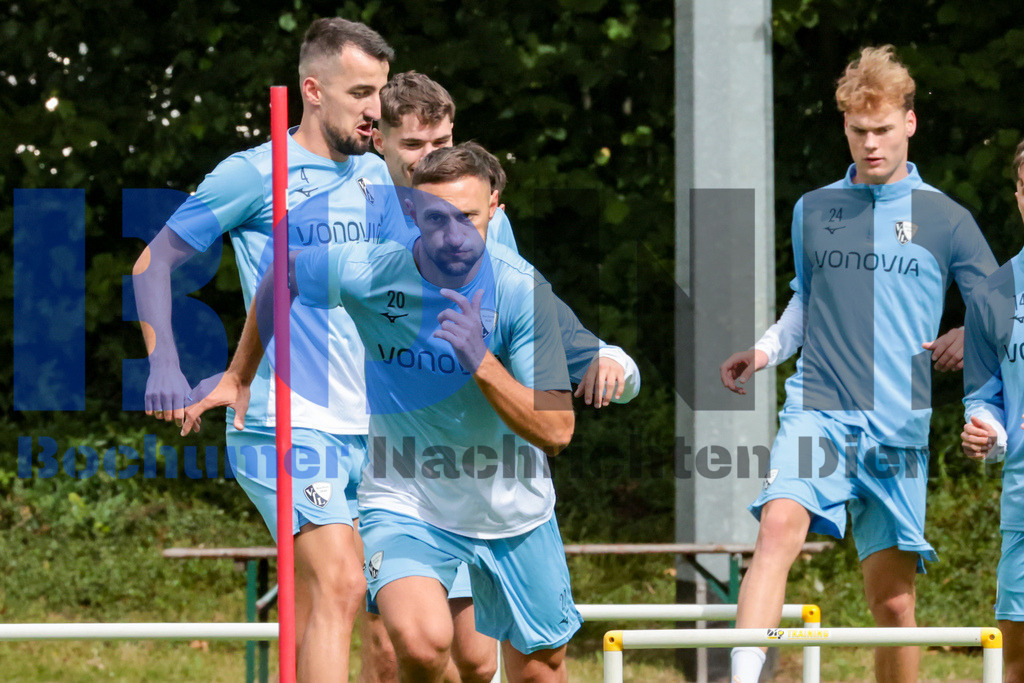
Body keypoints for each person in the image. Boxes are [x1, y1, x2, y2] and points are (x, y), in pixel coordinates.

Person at [184, 142, 583, 682]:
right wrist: (239, 374)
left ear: (495, 210)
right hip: (405, 500)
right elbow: (282, 274)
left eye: (467, 217)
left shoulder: (522, 293)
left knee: (537, 671)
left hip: (513, 509)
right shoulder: (369, 271)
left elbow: (557, 429)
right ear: (411, 213)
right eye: (436, 219)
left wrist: (481, 362)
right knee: (420, 645)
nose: (452, 236)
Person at [719, 45, 997, 683]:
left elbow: (1000, 307)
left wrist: (966, 332)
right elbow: (805, 302)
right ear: (844, 127)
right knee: (777, 528)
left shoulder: (946, 218)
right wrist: (764, 351)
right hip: (818, 408)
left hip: (899, 423)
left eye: (882, 129)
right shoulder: (814, 209)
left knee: (892, 603)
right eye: (857, 130)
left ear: (910, 123)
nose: (871, 144)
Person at [132, 18, 395, 682]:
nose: (375, 109)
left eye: (380, 92)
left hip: (371, 423)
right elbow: (152, 264)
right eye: (360, 92)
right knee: (339, 584)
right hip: (284, 416)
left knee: (382, 617)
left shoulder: (379, 175)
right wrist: (166, 362)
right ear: (313, 90)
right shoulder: (254, 173)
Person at [364, 70, 641, 683]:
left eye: (440, 143)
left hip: (496, 480)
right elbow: (287, 285)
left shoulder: (486, 232)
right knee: (405, 641)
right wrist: (243, 378)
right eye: (413, 145)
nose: (427, 158)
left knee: (496, 661)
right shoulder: (354, 220)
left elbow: (532, 314)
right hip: (381, 463)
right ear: (376, 139)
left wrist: (606, 359)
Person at [961, 139, 1024, 683]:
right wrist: (989, 432)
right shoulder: (993, 294)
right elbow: (984, 395)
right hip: (1023, 504)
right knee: (1016, 659)